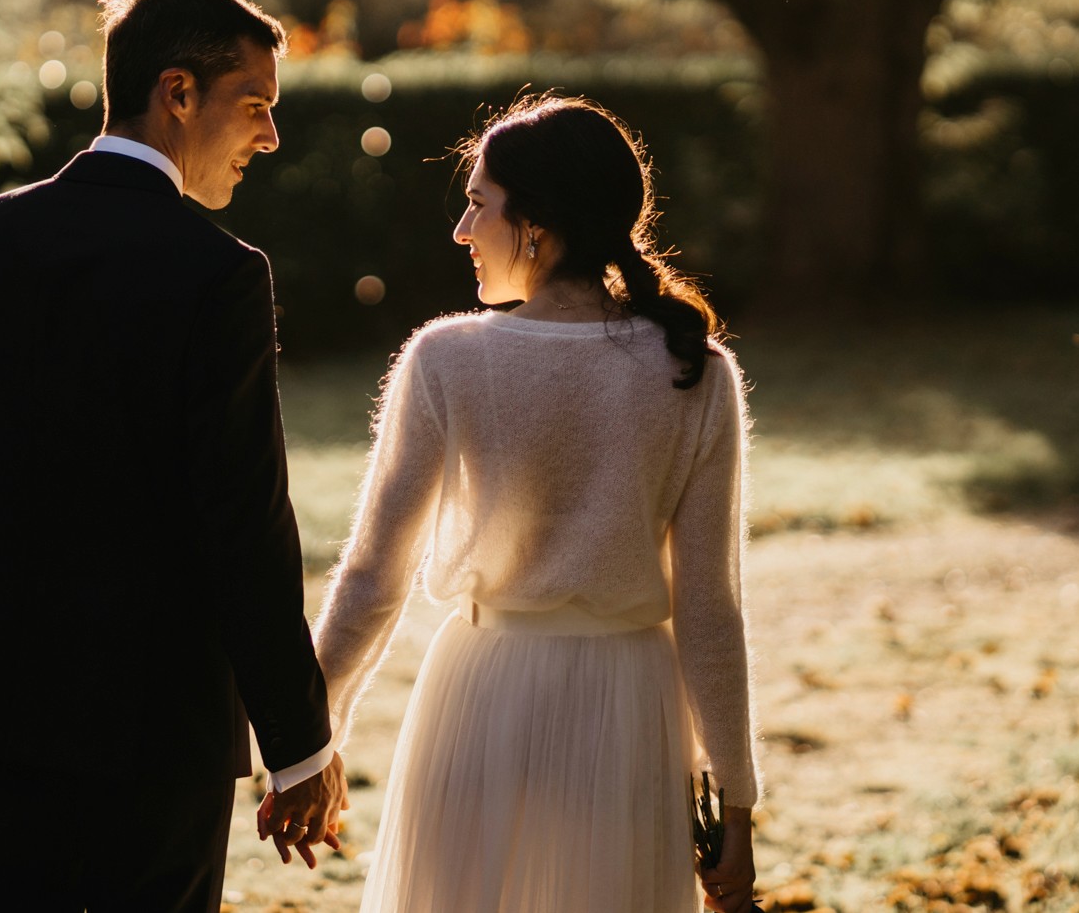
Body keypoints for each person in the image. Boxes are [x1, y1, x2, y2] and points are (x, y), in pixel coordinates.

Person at [0, 0, 348, 911]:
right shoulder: (219, 275)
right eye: (256, 105)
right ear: (178, 93)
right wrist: (300, 744)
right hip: (157, 734)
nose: (270, 137)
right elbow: (245, 524)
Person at [312, 94, 763, 913]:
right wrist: (735, 799)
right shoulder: (696, 371)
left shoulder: (445, 359)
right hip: (629, 706)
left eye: (478, 204)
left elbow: (374, 571)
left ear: (538, 226)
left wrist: (310, 736)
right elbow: (708, 606)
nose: (460, 229)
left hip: (482, 693)